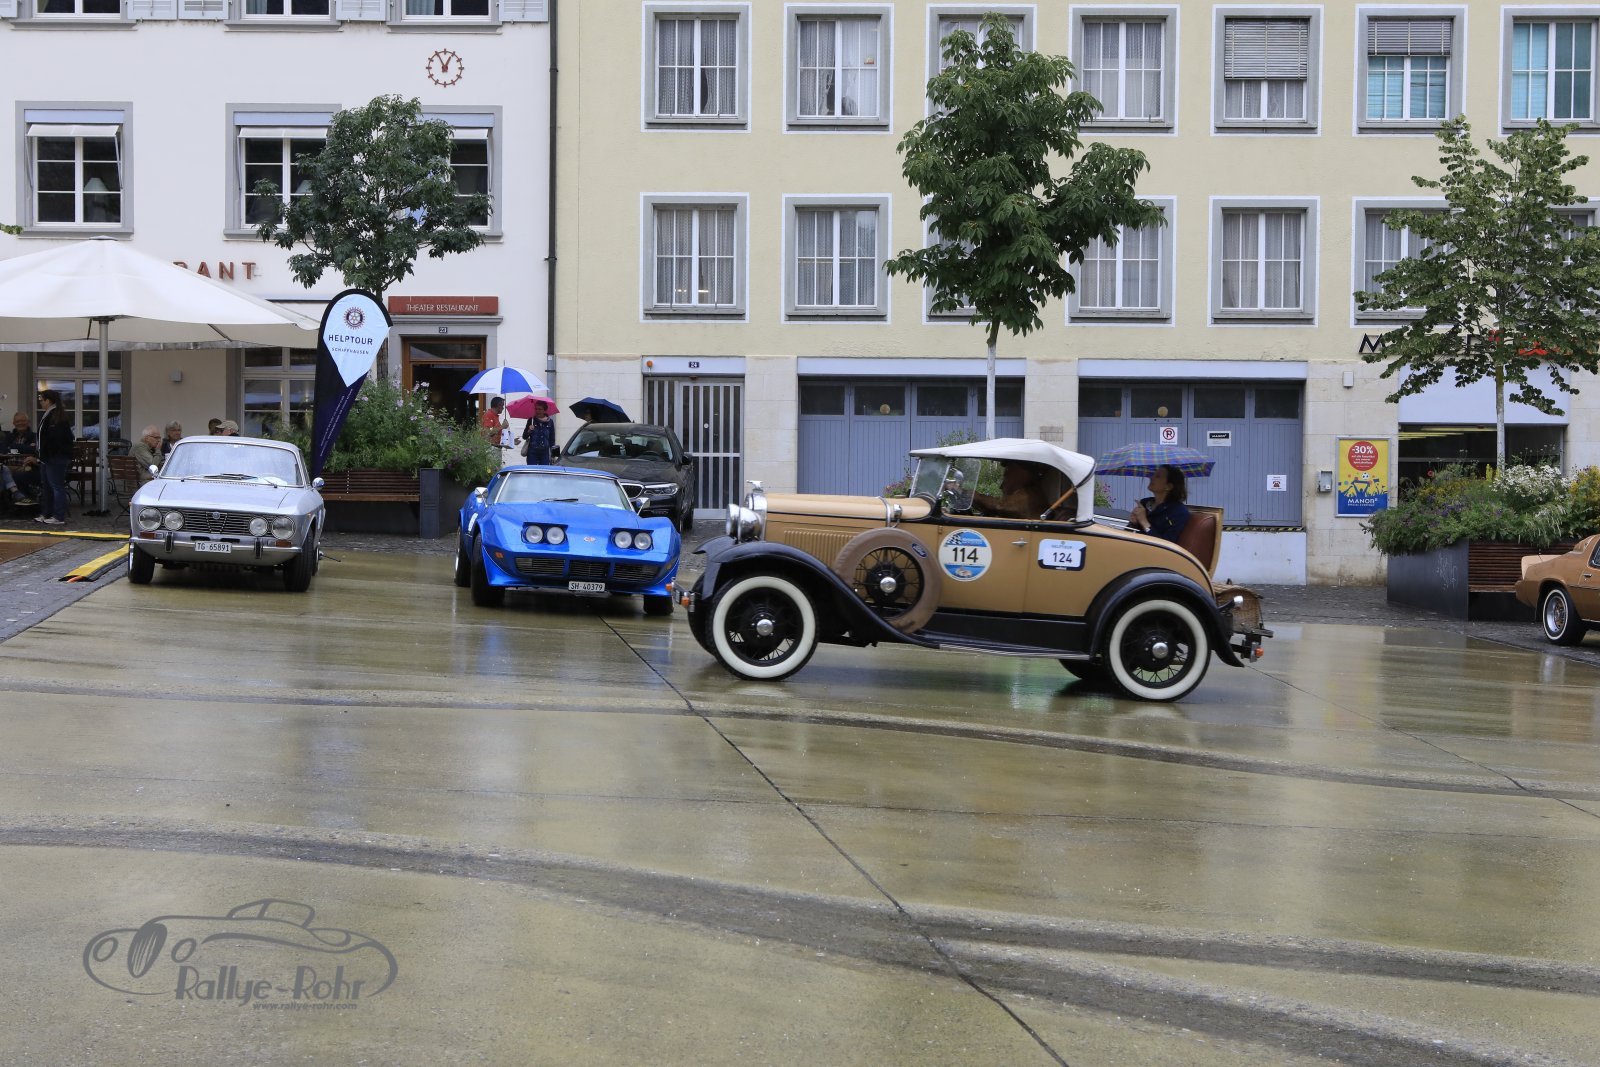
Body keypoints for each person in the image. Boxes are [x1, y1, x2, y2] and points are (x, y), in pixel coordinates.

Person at [35, 389, 74, 526]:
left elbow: (56, 438)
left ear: (48, 401)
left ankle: (58, 516)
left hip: (54, 457)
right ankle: (47, 513)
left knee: (56, 486)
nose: (40, 403)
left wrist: (46, 451)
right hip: (48, 456)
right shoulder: (51, 414)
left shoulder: (55, 416)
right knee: (47, 486)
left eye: (42, 400)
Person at [970, 460, 1051, 520]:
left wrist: (971, 495)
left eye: (1008, 470)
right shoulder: (1023, 492)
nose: (1005, 474)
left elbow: (999, 506)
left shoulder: (1030, 495)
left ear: (1022, 473)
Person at [1129, 465, 1191, 542]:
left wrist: (1144, 522)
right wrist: (1133, 523)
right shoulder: (1144, 503)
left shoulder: (1178, 512)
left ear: (1168, 486)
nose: (1151, 478)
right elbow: (1129, 534)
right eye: (1153, 475)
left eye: (1158, 476)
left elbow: (1166, 544)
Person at [2, 412, 40, 505]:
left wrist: (12, 447)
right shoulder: (9, 436)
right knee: (3, 472)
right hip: (9, 466)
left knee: (19, 475)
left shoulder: (34, 436)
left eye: (23, 421)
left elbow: (33, 450)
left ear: (28, 422)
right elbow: (3, 449)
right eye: (17, 421)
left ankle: (21, 500)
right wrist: (25, 447)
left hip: (26, 466)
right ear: (14, 423)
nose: (20, 423)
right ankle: (7, 503)